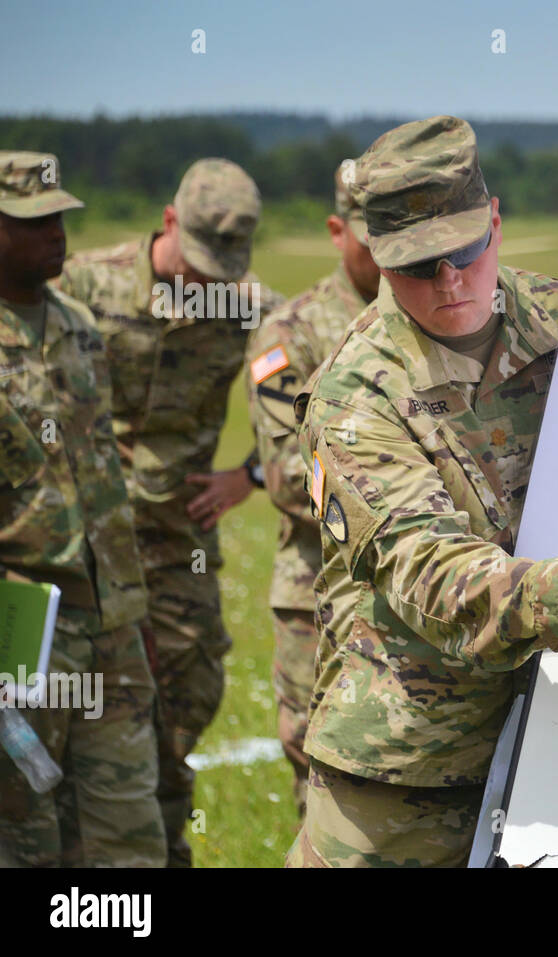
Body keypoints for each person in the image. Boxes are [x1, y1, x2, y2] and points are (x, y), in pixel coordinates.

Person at [285, 116, 558, 867]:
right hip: (407, 782)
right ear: (379, 259)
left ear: (495, 221)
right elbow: (428, 570)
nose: (450, 281)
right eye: (419, 266)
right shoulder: (353, 396)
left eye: (465, 251)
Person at [58, 158, 284, 866]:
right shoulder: (84, 283)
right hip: (76, 546)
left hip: (175, 538)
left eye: (222, 271)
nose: (206, 286)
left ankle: (160, 853)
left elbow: (316, 385)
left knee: (185, 696)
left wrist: (248, 473)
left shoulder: (250, 304)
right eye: (196, 266)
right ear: (166, 223)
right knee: (60, 708)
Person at [0, 151, 166, 866]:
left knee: (129, 833)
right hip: (20, 632)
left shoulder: (78, 326)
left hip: (110, 624)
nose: (57, 235)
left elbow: (103, 478)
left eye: (62, 218)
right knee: (22, 829)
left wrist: (135, 609)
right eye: (36, 223)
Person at [245, 160, 379, 814]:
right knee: (329, 799)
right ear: (335, 230)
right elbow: (291, 479)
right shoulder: (290, 335)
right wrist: (409, 521)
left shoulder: (438, 324)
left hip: (434, 600)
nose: (390, 250)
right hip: (322, 604)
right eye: (371, 233)